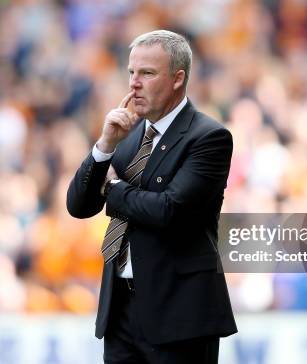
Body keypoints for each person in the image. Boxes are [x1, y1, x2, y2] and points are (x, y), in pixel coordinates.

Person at [67, 29, 237, 363]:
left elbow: (169, 211)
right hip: (121, 313)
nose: (134, 83)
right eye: (131, 72)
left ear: (177, 79)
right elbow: (79, 205)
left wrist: (114, 189)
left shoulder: (209, 137)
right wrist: (103, 148)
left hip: (180, 318)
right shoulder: (126, 136)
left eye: (147, 73)